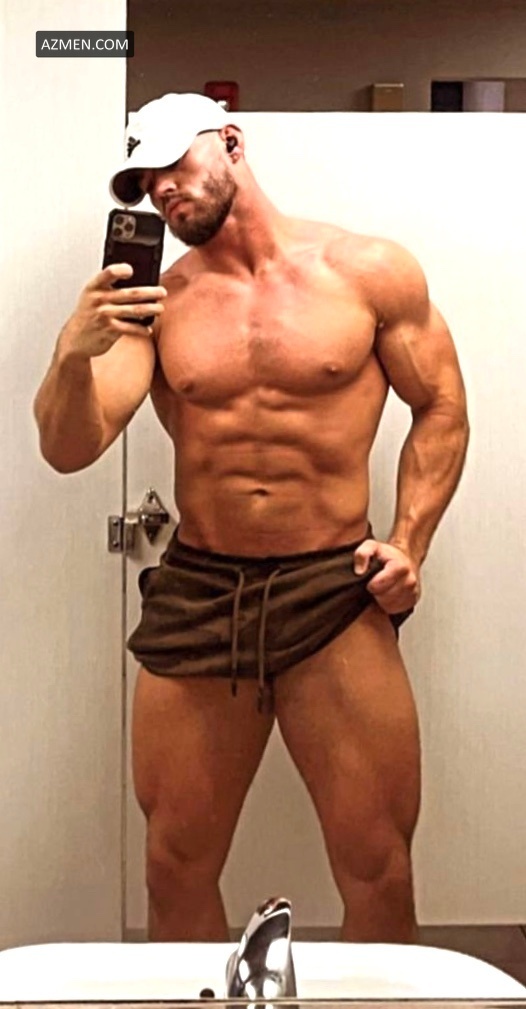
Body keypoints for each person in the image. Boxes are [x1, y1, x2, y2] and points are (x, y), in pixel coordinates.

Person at [34, 92, 469, 944]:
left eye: (174, 162)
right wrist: (70, 356)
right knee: (173, 865)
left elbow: (443, 406)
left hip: (333, 586)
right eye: (144, 179)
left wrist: (409, 542)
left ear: (231, 142)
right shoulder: (154, 307)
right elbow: (69, 447)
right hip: (202, 589)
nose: (161, 188)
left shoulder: (368, 271)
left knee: (378, 863)